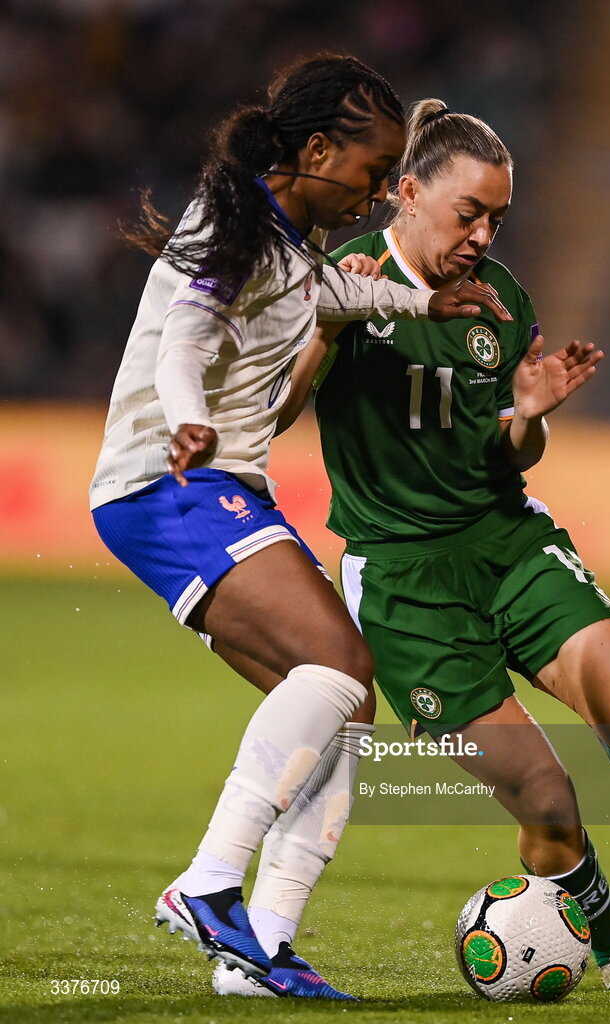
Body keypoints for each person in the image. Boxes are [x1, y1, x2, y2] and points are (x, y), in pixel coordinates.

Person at [214, 98, 610, 997]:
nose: (484, 234)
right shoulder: (342, 282)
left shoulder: (501, 299)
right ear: (407, 193)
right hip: (406, 587)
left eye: (497, 218)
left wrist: (526, 416)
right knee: (547, 801)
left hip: (506, 542)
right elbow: (268, 419)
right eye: (469, 213)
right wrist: (325, 332)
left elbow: (510, 448)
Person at [90, 61, 512, 1001]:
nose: (376, 193)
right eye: (372, 170)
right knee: (338, 667)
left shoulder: (282, 239)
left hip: (220, 488)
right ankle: (205, 886)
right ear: (316, 151)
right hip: (170, 481)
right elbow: (185, 342)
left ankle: (261, 948)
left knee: (344, 707)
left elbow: (327, 296)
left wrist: (423, 301)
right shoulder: (227, 227)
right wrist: (189, 417)